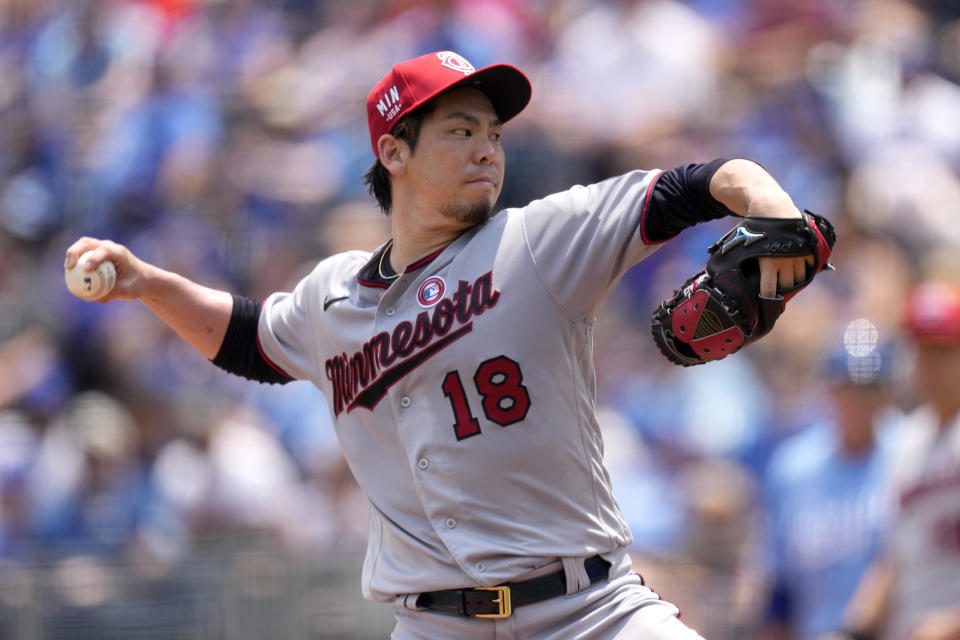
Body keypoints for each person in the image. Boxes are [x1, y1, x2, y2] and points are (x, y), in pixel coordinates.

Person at [64, 50, 818, 639]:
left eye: (492, 133)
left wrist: (776, 209)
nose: (488, 149)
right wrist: (147, 283)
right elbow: (249, 340)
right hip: (432, 626)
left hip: (588, 613)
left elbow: (698, 182)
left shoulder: (538, 239)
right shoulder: (332, 295)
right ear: (394, 153)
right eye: (460, 131)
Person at [822, 281, 960, 640]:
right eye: (922, 350)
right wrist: (850, 631)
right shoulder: (907, 441)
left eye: (943, 351)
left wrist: (952, 624)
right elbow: (895, 560)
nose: (931, 365)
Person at [761, 335, 901, 640]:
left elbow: (903, 565)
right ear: (830, 391)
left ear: (886, 394)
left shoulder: (908, 456)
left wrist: (853, 631)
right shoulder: (793, 467)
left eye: (868, 389)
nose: (857, 400)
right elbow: (779, 586)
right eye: (847, 388)